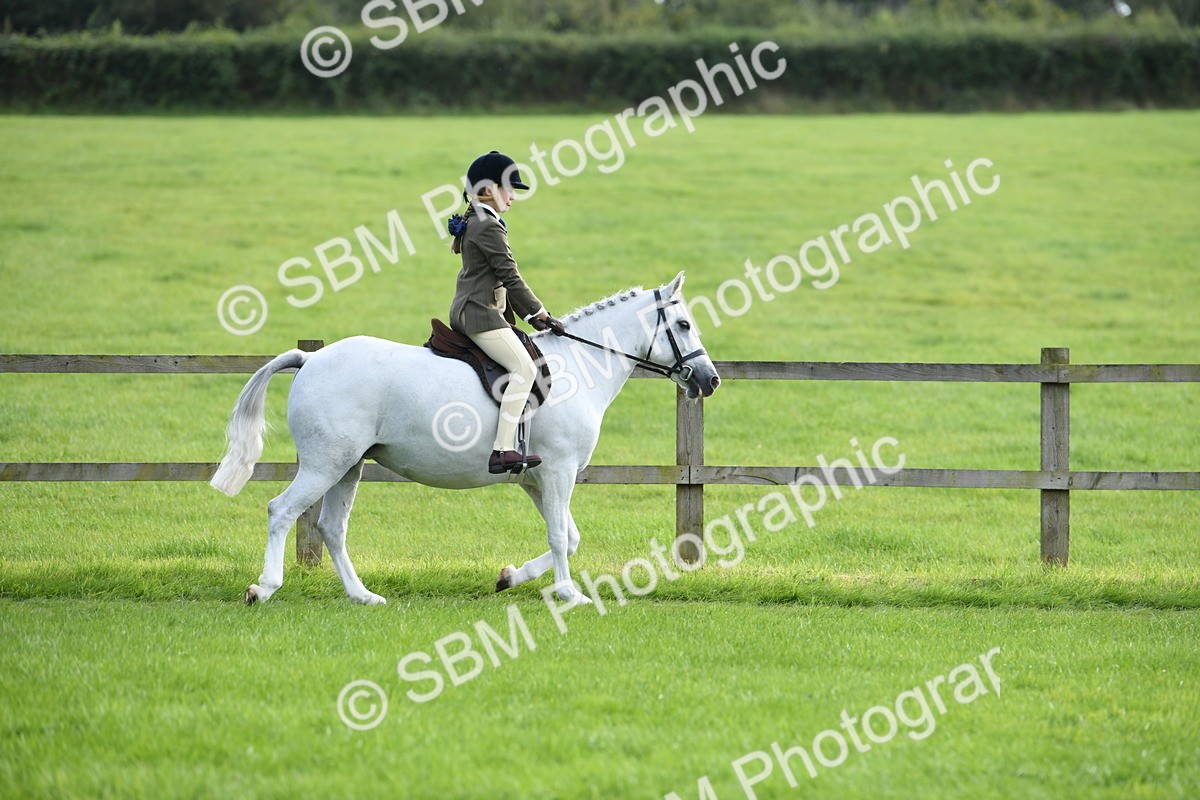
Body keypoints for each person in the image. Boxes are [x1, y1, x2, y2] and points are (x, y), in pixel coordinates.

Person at [447, 150, 566, 474]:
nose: (513, 196)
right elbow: (510, 276)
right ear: (488, 190)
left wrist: (531, 317)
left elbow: (500, 279)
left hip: (478, 309)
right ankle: (502, 450)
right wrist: (541, 312)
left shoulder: (479, 219)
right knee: (525, 369)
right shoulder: (487, 226)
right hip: (479, 313)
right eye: (508, 189)